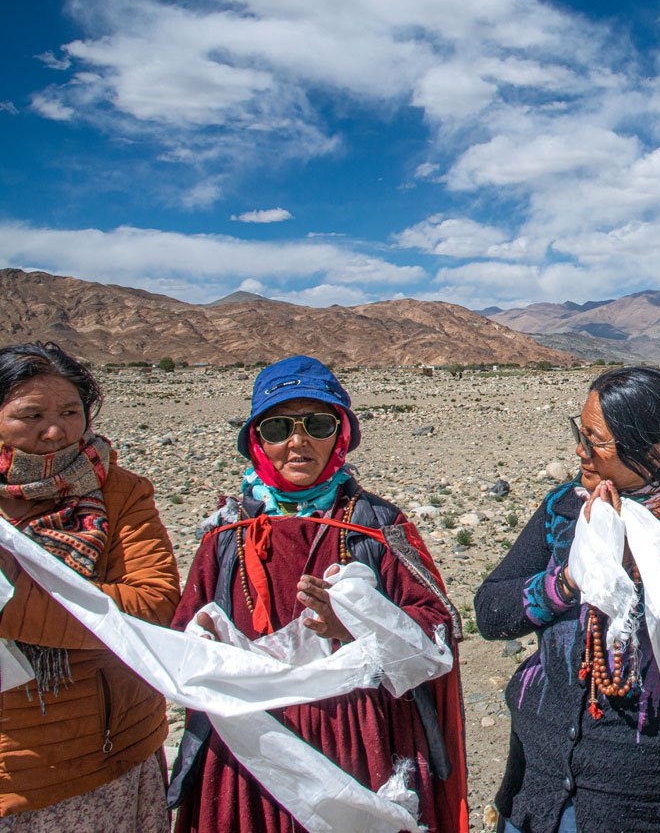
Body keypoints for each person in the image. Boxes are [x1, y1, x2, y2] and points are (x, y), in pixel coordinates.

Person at [166, 355, 468, 832]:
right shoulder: (226, 533)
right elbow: (184, 627)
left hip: (350, 736)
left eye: (318, 424)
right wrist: (200, 637)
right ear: (257, 441)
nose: (298, 441)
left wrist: (359, 627)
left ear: (341, 435)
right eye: (279, 426)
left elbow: (438, 624)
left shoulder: (376, 526)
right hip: (248, 739)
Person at [475, 366, 660, 833]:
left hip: (653, 796)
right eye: (580, 434)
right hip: (540, 778)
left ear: (654, 452)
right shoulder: (564, 509)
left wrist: (639, 577)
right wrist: (567, 582)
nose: (580, 451)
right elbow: (489, 612)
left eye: (596, 441)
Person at [0, 341, 180, 827]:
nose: (56, 430)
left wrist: (11, 599)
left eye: (70, 411)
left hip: (102, 754)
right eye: (30, 414)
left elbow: (154, 604)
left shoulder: (117, 491)